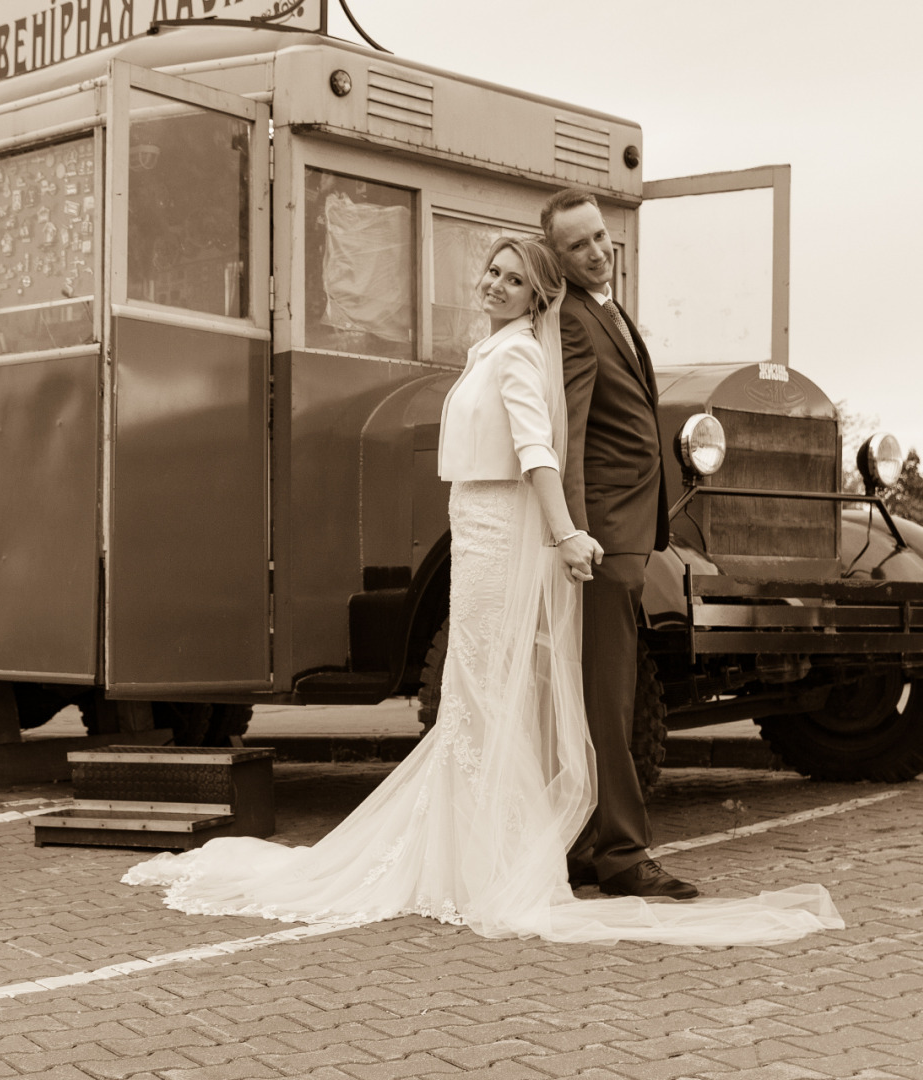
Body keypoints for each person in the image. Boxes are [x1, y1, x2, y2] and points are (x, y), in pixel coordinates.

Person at [122, 238, 841, 946]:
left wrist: (562, 532)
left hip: (501, 530)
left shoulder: (523, 354)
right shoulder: (487, 351)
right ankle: (464, 851)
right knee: (470, 692)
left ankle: (490, 858)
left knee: (488, 690)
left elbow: (537, 452)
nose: (494, 286)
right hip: (472, 527)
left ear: (537, 297)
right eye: (490, 273)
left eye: (513, 280)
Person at [541, 187, 691, 900]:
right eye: (579, 245)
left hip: (630, 529)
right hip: (602, 535)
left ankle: (591, 844)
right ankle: (624, 857)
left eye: (600, 237)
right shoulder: (571, 321)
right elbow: (566, 437)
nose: (597, 251)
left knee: (614, 694)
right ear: (558, 259)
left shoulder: (608, 307)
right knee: (608, 698)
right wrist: (575, 530)